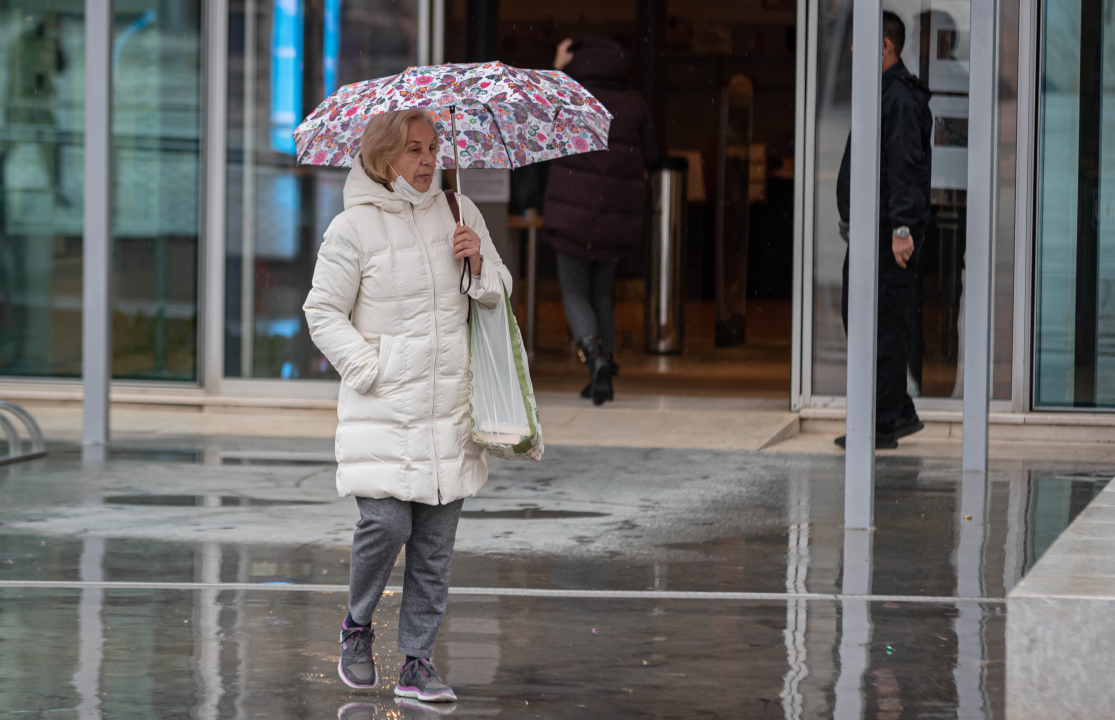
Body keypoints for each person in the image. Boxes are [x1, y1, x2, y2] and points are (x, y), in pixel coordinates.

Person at [303, 108, 512, 703]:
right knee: (387, 522)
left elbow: (498, 291)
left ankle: (417, 664)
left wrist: (478, 262)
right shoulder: (354, 227)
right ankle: (358, 625)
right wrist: (372, 368)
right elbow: (322, 313)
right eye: (415, 150)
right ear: (383, 156)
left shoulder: (459, 210)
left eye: (433, 148)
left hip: (448, 409)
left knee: (433, 549)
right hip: (386, 409)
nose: (428, 161)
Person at [543, 35, 658, 405]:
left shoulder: (568, 95)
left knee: (575, 292)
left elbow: (535, 130)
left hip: (570, 213)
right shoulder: (635, 101)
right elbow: (653, 156)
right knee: (601, 294)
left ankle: (595, 361)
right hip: (615, 217)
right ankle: (603, 369)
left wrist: (558, 68)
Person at [836, 11, 932, 449]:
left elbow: (905, 168)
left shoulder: (900, 98)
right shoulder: (884, 93)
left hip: (885, 237)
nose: (853, 49)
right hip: (873, 233)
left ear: (886, 46)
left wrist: (900, 229)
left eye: (862, 41)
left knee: (880, 326)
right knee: (870, 323)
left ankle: (885, 421)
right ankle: (892, 413)